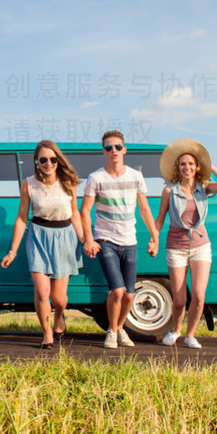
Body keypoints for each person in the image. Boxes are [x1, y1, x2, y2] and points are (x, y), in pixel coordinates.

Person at [0, 141, 85, 348]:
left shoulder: (68, 183)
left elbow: (75, 214)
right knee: (41, 292)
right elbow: (21, 218)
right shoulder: (29, 184)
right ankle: (47, 332)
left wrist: (86, 240)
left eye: (53, 159)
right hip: (38, 236)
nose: (48, 163)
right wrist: (12, 251)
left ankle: (59, 315)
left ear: (58, 161)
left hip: (64, 237)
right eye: (43, 160)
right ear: (37, 162)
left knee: (59, 298)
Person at [81, 130, 159, 349]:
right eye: (108, 148)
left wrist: (154, 237)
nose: (113, 151)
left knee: (130, 295)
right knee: (117, 290)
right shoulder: (96, 178)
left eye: (117, 147)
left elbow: (144, 208)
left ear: (124, 150)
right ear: (103, 151)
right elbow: (85, 211)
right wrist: (89, 239)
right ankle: (112, 332)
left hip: (130, 241)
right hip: (105, 239)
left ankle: (120, 328)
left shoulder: (135, 176)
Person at [154, 138, 217, 349]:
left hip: (200, 246)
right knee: (179, 300)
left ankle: (190, 334)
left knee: (198, 295)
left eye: (190, 164)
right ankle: (176, 330)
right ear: (177, 168)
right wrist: (154, 239)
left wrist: (209, 165)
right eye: (182, 164)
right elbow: (160, 219)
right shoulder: (169, 191)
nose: (186, 167)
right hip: (176, 247)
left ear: (196, 167)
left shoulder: (203, 188)